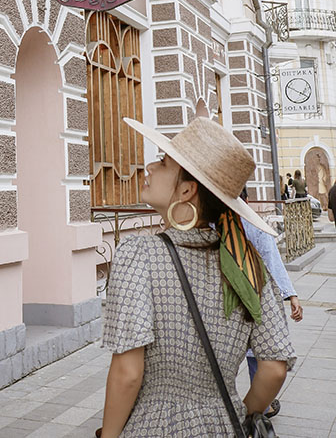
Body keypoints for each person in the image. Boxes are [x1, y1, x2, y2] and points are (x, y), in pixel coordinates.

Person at [99, 117, 295, 438]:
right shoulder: (248, 266)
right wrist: (235, 415)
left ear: (187, 190)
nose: (150, 166)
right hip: (225, 423)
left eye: (163, 162)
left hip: (154, 425)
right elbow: (274, 368)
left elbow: (127, 374)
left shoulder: (139, 254)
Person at [240, 187, 303, 419]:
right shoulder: (255, 225)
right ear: (247, 200)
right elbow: (271, 260)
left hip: (222, 305)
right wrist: (291, 295)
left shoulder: (210, 224)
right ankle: (260, 409)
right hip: (254, 300)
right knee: (260, 356)